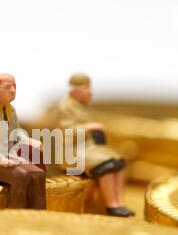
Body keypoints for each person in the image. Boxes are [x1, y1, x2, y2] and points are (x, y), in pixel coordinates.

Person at [57, 73, 134, 217]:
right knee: (106, 165)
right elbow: (67, 131)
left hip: (91, 146)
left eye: (89, 88)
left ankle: (119, 202)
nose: (90, 92)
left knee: (119, 162)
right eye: (86, 88)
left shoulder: (85, 107)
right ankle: (111, 205)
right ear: (75, 90)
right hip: (75, 149)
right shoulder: (65, 107)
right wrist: (89, 127)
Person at [0, 73, 46, 209]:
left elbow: (17, 134)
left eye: (14, 86)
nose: (12, 90)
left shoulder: (12, 110)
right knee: (22, 175)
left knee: (38, 174)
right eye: (7, 87)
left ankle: (38, 215)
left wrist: (30, 141)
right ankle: (16, 213)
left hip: (12, 158)